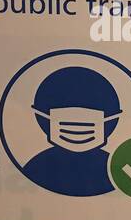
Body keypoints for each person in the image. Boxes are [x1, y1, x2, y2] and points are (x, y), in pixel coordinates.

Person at [22, 67, 122, 197]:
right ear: (42, 117)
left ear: (112, 119)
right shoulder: (38, 167)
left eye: (89, 116)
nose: (77, 126)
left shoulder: (114, 169)